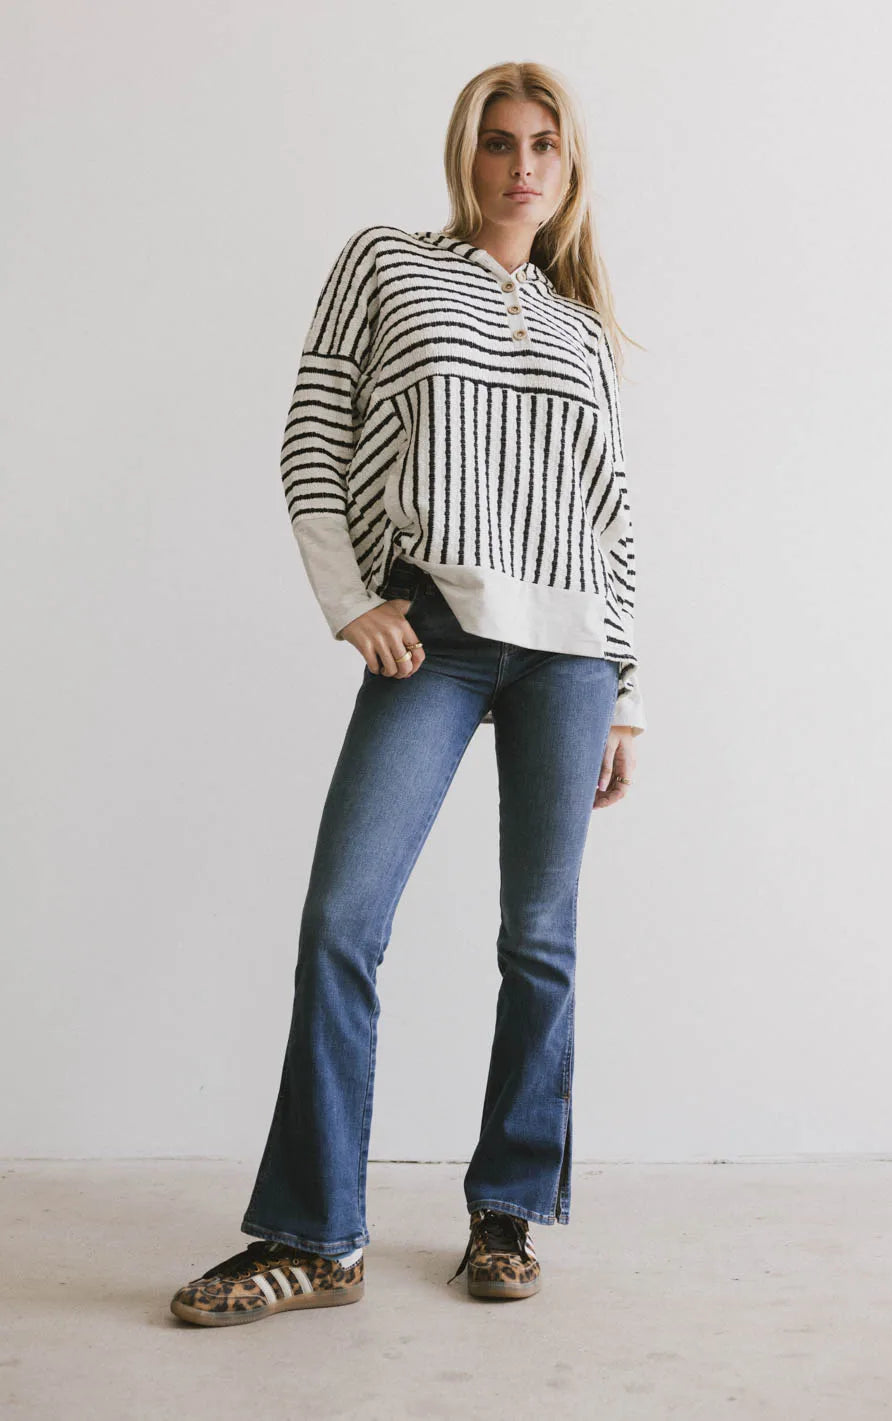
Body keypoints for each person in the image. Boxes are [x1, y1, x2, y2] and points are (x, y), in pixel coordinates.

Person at [170, 59, 647, 1327]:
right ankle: (314, 1234)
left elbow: (614, 522)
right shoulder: (388, 264)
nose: (521, 165)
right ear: (465, 154)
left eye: (544, 144)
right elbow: (313, 437)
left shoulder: (581, 328)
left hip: (570, 655)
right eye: (499, 140)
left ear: (568, 167)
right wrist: (350, 600)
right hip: (432, 630)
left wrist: (627, 693)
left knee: (540, 938)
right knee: (344, 917)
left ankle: (507, 1209)